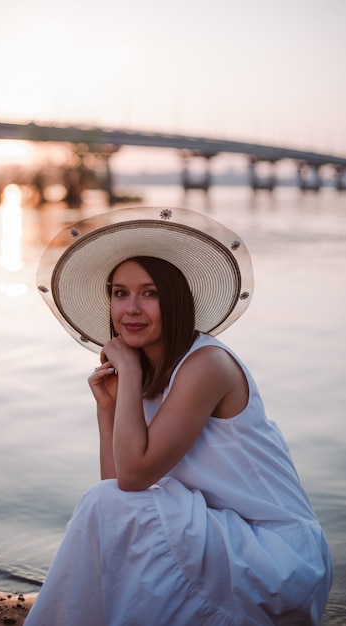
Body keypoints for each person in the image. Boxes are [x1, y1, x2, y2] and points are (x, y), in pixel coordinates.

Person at [26, 206, 332, 626]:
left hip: (276, 553)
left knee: (103, 504)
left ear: (175, 299)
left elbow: (131, 482)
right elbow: (120, 491)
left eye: (149, 293)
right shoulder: (148, 373)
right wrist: (109, 406)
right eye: (119, 293)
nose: (131, 309)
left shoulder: (207, 365)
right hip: (218, 534)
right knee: (105, 503)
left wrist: (129, 372)